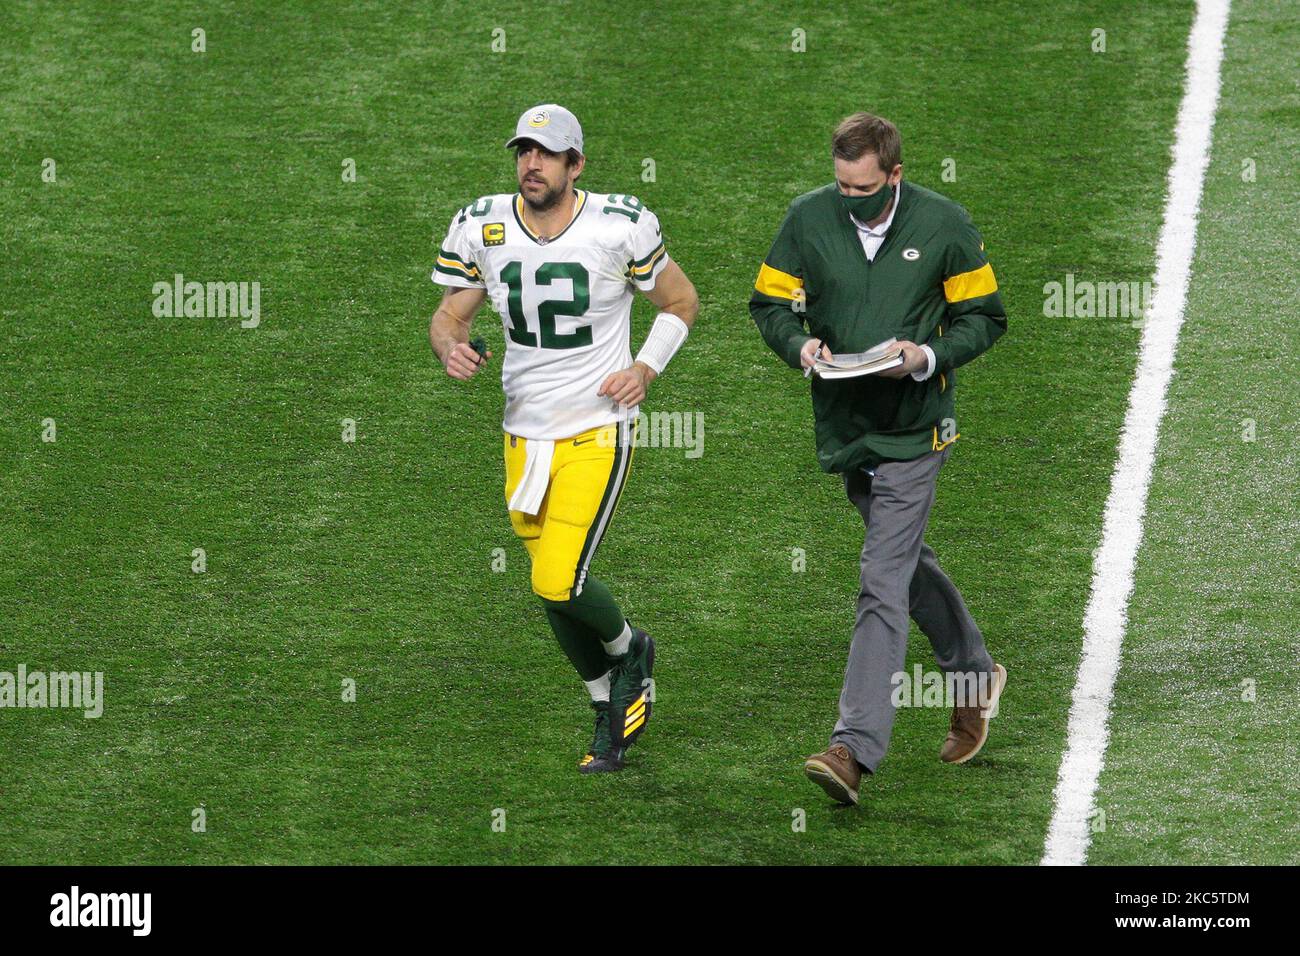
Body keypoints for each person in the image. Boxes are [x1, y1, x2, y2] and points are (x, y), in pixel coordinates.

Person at [749, 112, 1008, 805]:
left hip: (915, 427)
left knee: (880, 580)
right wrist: (799, 346)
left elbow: (985, 317)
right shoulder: (808, 218)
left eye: (864, 189)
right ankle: (974, 674)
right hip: (847, 427)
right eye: (842, 187)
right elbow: (769, 303)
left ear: (895, 175)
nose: (851, 200)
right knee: (905, 562)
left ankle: (853, 749)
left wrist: (926, 356)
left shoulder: (944, 224)